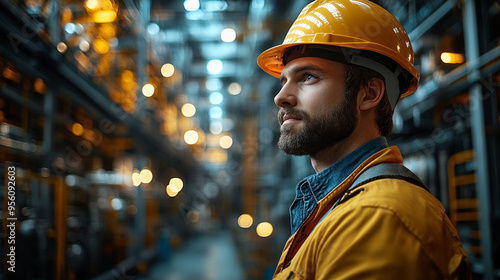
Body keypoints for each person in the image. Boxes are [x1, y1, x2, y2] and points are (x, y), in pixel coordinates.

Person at [257, 0, 471, 279]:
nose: (280, 97)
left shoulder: (377, 217)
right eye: (283, 80)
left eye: (307, 77)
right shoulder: (336, 207)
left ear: (369, 94)